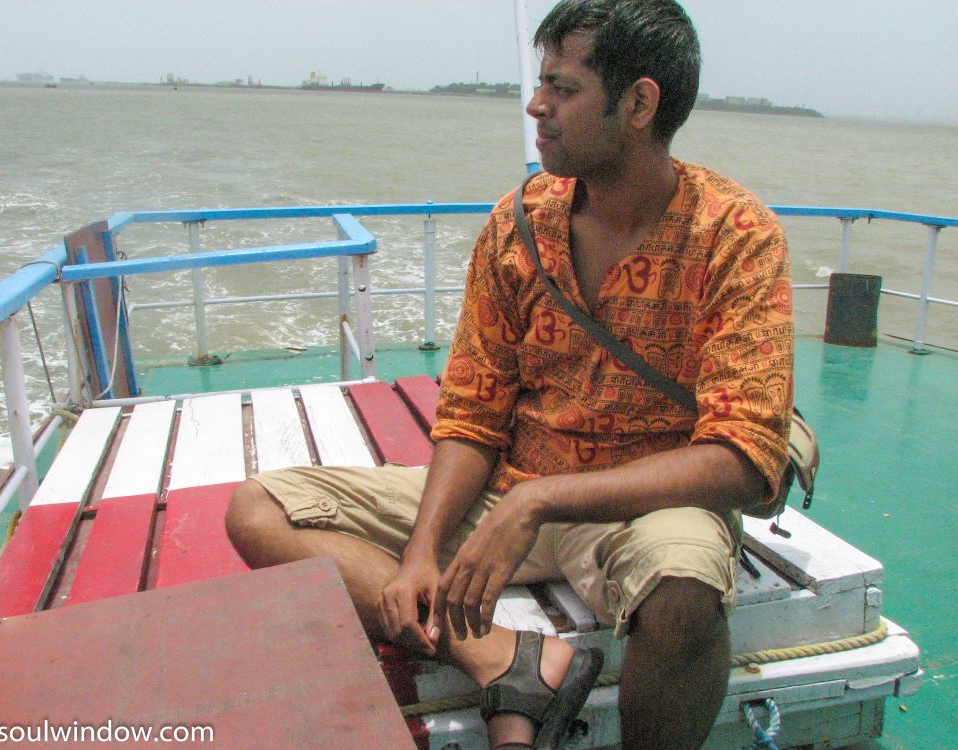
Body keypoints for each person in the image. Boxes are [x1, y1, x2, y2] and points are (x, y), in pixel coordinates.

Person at [226, 0, 794, 747]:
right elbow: (472, 412)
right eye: (541, 83)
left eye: (562, 88)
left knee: (684, 595)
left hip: (641, 510)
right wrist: (424, 551)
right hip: (506, 492)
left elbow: (745, 457)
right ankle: (502, 658)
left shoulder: (734, 236)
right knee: (259, 510)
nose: (537, 104)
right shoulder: (518, 225)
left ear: (639, 103)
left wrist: (543, 502)